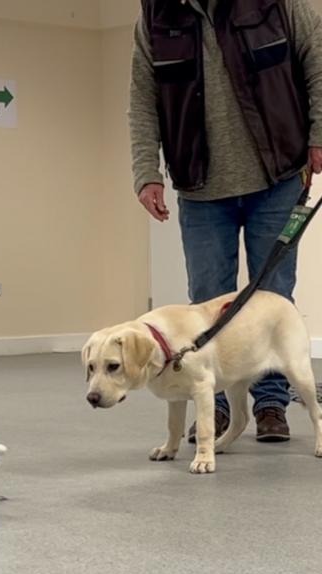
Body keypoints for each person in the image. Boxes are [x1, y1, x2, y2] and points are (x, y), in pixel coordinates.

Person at [129, 0, 322, 442]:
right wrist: (145, 173)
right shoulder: (156, 16)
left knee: (273, 300)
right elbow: (142, 99)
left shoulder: (280, 3)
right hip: (199, 189)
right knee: (205, 305)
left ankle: (271, 403)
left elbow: (318, 64)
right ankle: (211, 407)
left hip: (276, 178)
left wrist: (318, 135)